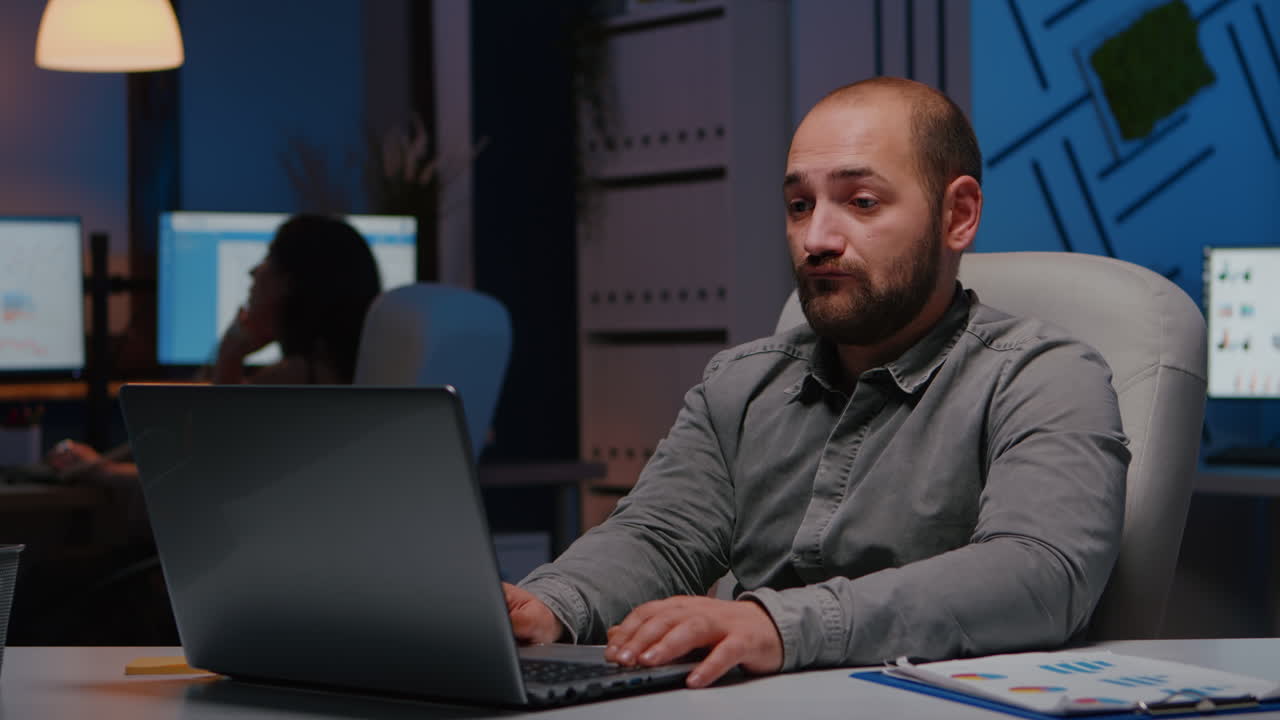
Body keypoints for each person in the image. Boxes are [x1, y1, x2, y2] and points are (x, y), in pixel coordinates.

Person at [503, 77, 1129, 688]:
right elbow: (661, 537)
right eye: (799, 206)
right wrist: (552, 606)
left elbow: (1038, 576)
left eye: (861, 202)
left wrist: (779, 626)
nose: (816, 239)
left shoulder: (1044, 375)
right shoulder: (741, 382)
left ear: (958, 215)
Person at [47, 213, 383, 479]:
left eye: (269, 258)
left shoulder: (303, 378)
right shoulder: (336, 369)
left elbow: (208, 474)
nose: (254, 271)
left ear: (291, 284)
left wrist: (231, 353)